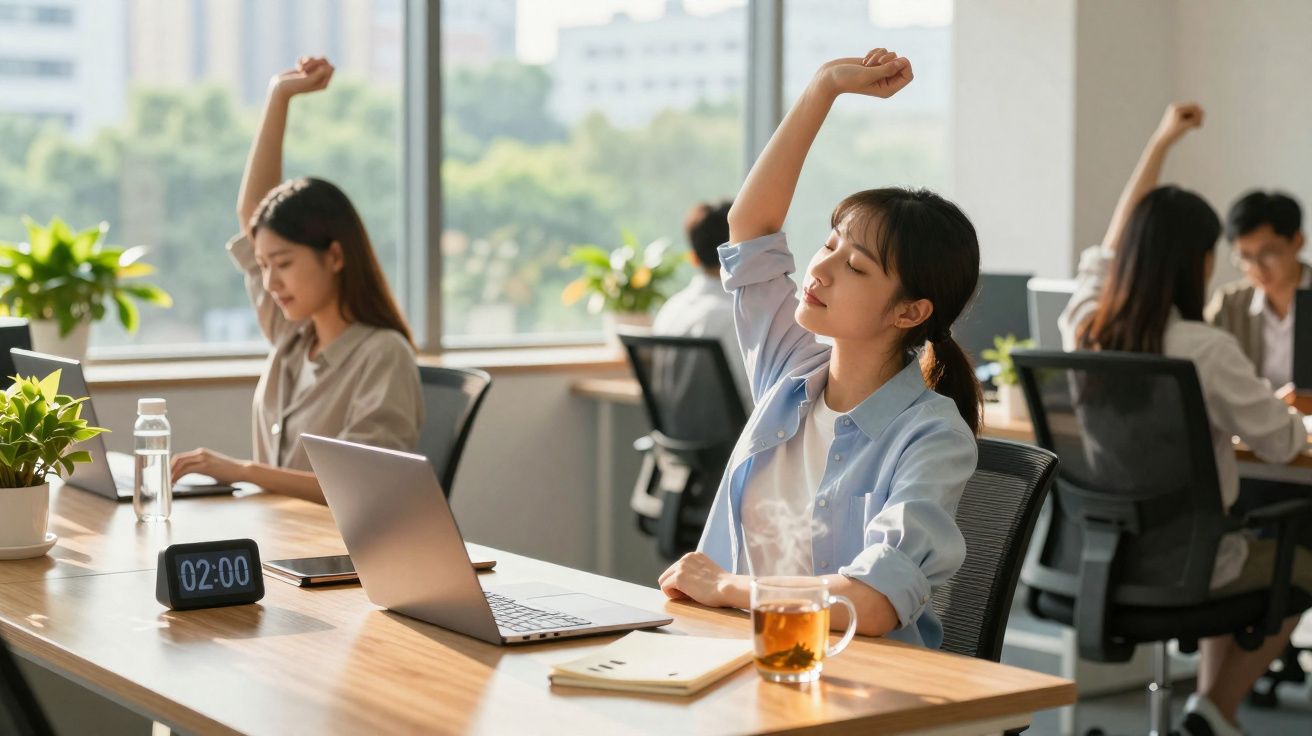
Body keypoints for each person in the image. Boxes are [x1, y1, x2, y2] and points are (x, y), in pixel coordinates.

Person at [656, 48, 982, 649]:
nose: (820, 268)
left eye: (854, 265)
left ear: (909, 312)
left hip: (862, 684)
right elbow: (749, 229)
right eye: (829, 243)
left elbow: (875, 601)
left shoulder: (932, 436)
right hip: (738, 655)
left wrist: (730, 589)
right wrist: (824, 88)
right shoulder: (792, 373)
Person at [1059, 102, 1312, 736]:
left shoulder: (1081, 325)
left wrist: (1162, 140)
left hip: (1099, 558)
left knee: (1246, 530)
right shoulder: (1203, 346)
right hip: (1197, 560)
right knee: (1297, 556)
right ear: (1201, 262)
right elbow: (1282, 445)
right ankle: (1214, 712)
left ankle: (1212, 714)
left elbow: (1107, 248)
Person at [170, 56, 423, 504]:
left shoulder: (382, 354)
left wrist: (244, 472)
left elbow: (364, 488)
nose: (269, 281)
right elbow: (254, 214)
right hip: (276, 540)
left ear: (336, 255)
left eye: (283, 263)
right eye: (263, 265)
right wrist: (279, 94)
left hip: (331, 560)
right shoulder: (293, 337)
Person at [1206, 191, 1309, 391]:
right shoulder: (1229, 304)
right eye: (1245, 256)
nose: (1257, 267)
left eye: (1268, 253)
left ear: (1297, 242)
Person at [652, 200, 751, 407]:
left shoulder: (670, 309)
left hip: (674, 436)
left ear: (694, 258)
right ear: (743, 251)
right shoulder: (735, 318)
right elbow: (753, 396)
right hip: (734, 438)